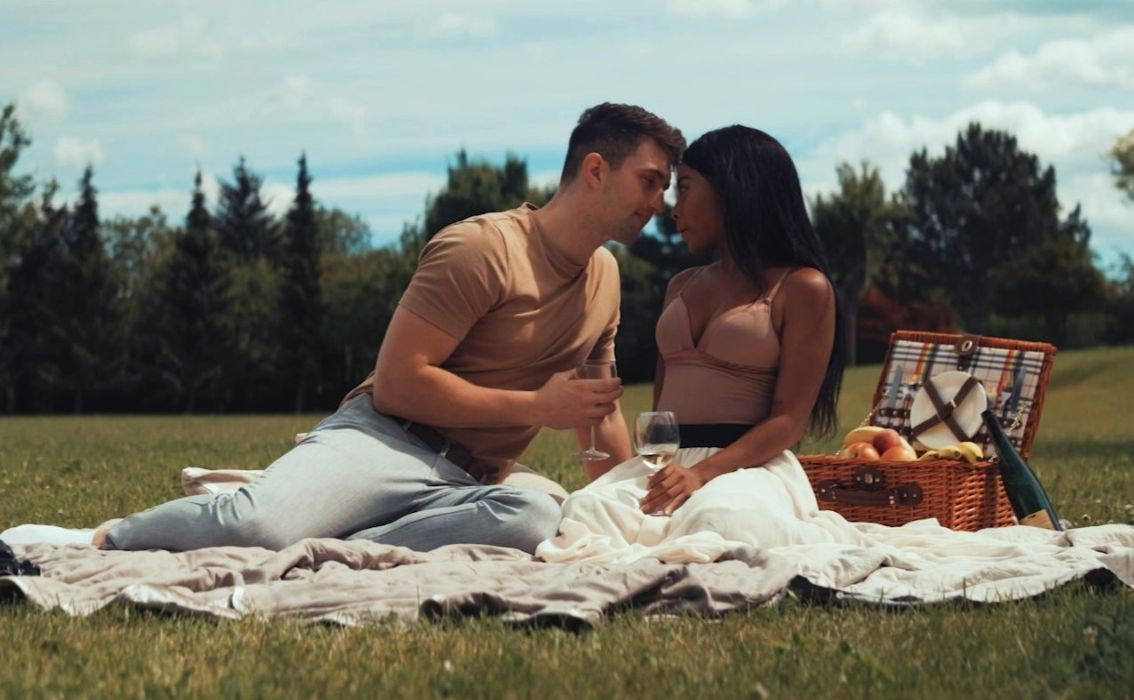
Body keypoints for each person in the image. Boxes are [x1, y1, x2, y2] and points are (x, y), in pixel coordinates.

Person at [96, 103, 686, 555]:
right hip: (385, 441)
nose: (659, 202)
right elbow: (399, 385)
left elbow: (597, 412)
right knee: (255, 529)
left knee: (534, 518)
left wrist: (625, 507)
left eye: (664, 187)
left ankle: (334, 541)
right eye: (650, 180)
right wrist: (535, 406)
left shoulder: (606, 277)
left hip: (469, 486)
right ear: (595, 169)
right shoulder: (482, 248)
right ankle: (110, 537)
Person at [537, 125, 852, 563]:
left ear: (734, 190)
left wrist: (702, 474)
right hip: (671, 465)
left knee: (719, 519)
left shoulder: (802, 287)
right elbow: (663, 411)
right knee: (586, 510)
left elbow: (788, 421)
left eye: (685, 188)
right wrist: (660, 470)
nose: (673, 209)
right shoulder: (681, 286)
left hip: (747, 466)